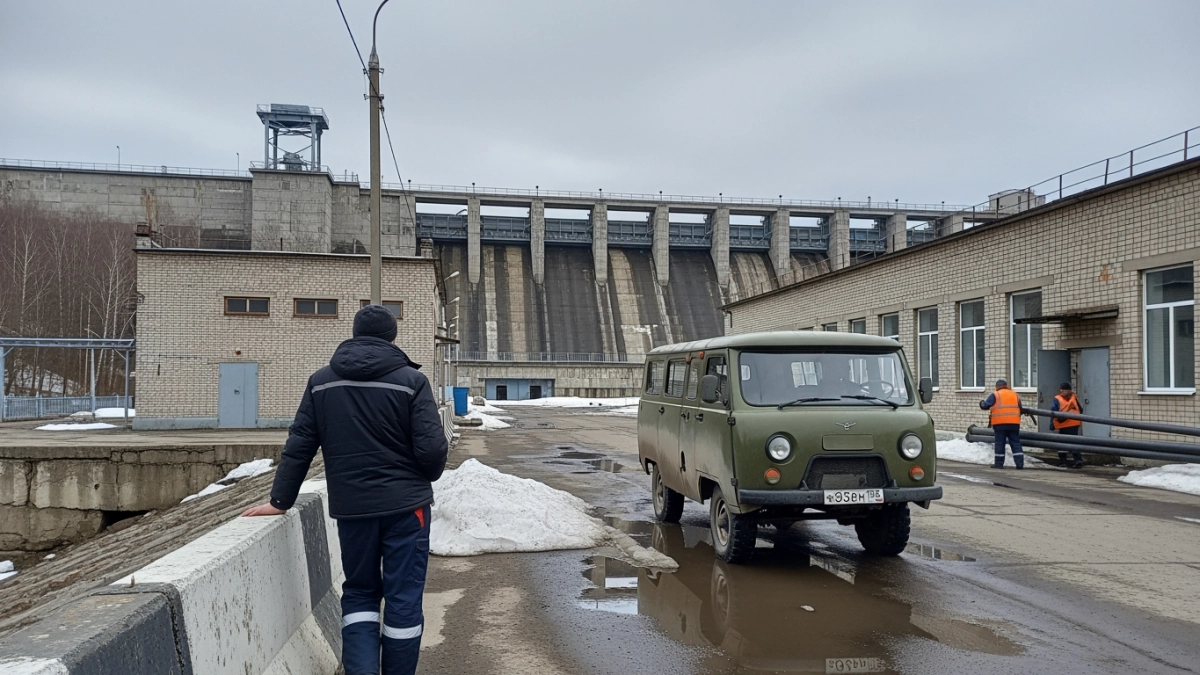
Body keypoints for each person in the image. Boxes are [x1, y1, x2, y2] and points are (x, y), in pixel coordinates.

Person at [243, 304, 448, 675]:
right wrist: (420, 477)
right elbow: (432, 453)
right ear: (392, 337)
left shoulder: (321, 382)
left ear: (354, 334)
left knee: (360, 592)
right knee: (403, 598)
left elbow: (300, 444)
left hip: (352, 510)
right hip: (407, 510)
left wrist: (279, 501)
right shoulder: (411, 382)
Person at [980, 379, 1024, 469]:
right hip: (1014, 423)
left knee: (1000, 443)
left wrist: (981, 403)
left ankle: (999, 464)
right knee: (1015, 443)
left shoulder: (996, 394)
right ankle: (1019, 464)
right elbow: (1020, 408)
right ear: (1006, 386)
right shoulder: (1014, 394)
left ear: (997, 387)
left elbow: (985, 406)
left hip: (1000, 423)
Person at [1052, 381, 1084, 469]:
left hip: (1066, 424)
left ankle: (1064, 461)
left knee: (1063, 442)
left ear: (1069, 390)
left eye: (1064, 389)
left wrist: (1052, 423)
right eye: (1061, 389)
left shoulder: (1057, 399)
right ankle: (1077, 460)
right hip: (1072, 424)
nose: (1062, 391)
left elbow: (1053, 411)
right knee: (1072, 442)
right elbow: (1080, 410)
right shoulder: (1074, 398)